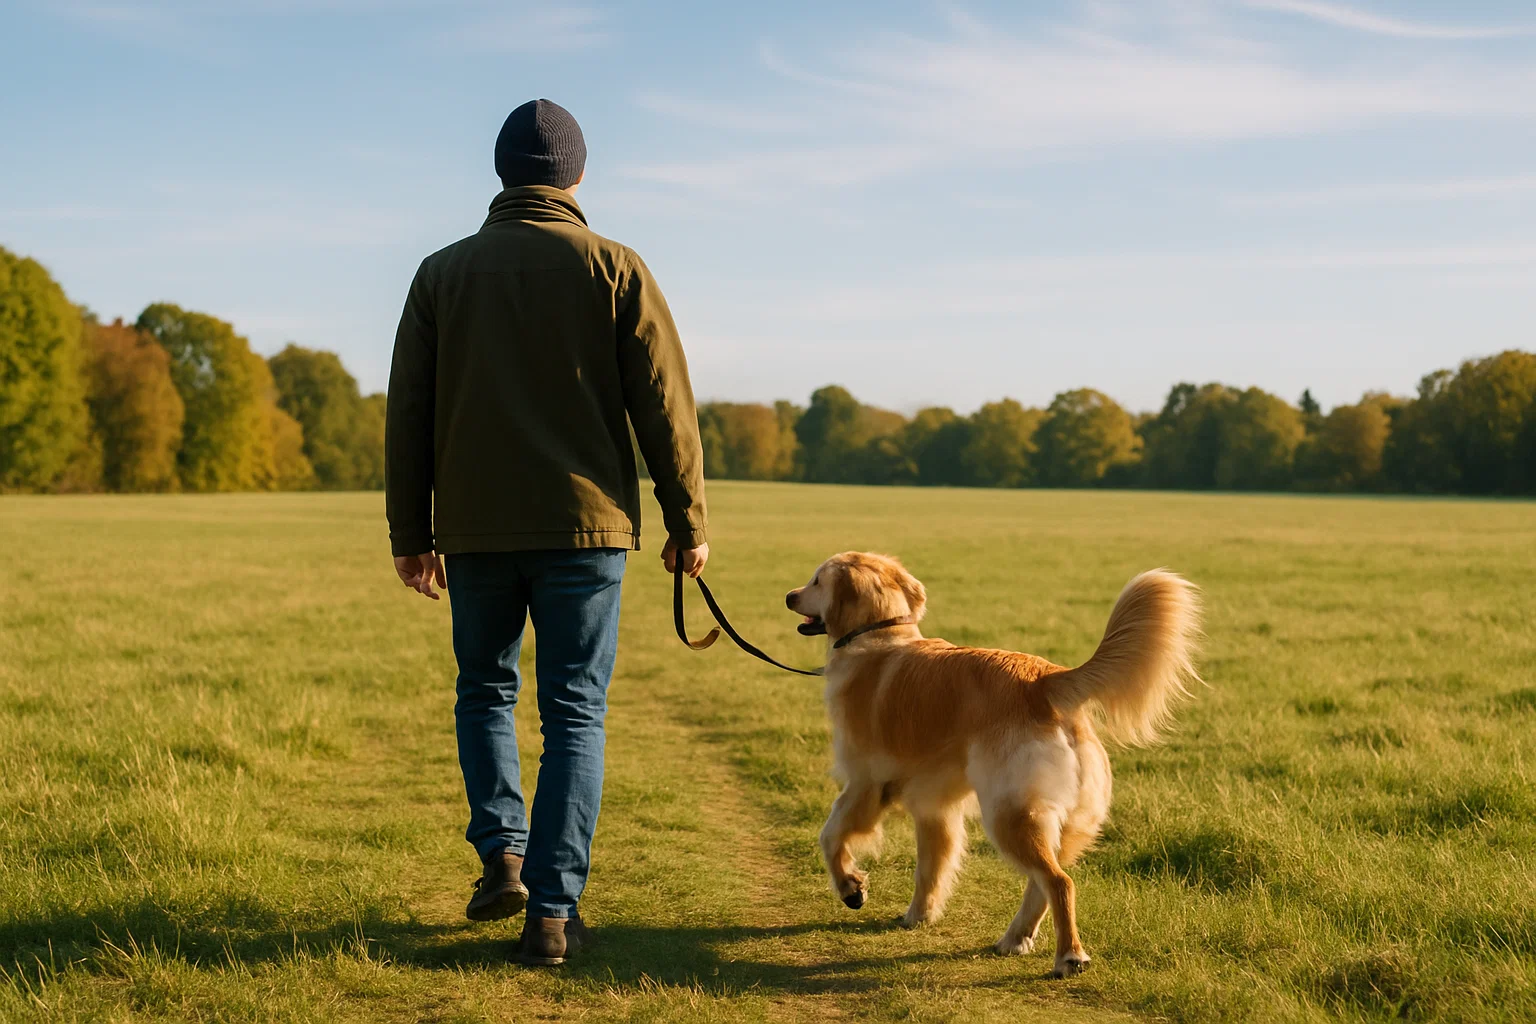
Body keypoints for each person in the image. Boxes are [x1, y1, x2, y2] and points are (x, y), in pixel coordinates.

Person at [384, 98, 709, 966]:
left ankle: (503, 858)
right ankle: (553, 915)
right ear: (575, 175)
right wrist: (688, 522)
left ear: (500, 173)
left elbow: (407, 412)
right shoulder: (616, 266)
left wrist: (409, 532)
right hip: (588, 533)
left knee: (484, 690)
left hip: (477, 533)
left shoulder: (440, 273)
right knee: (575, 711)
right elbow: (665, 409)